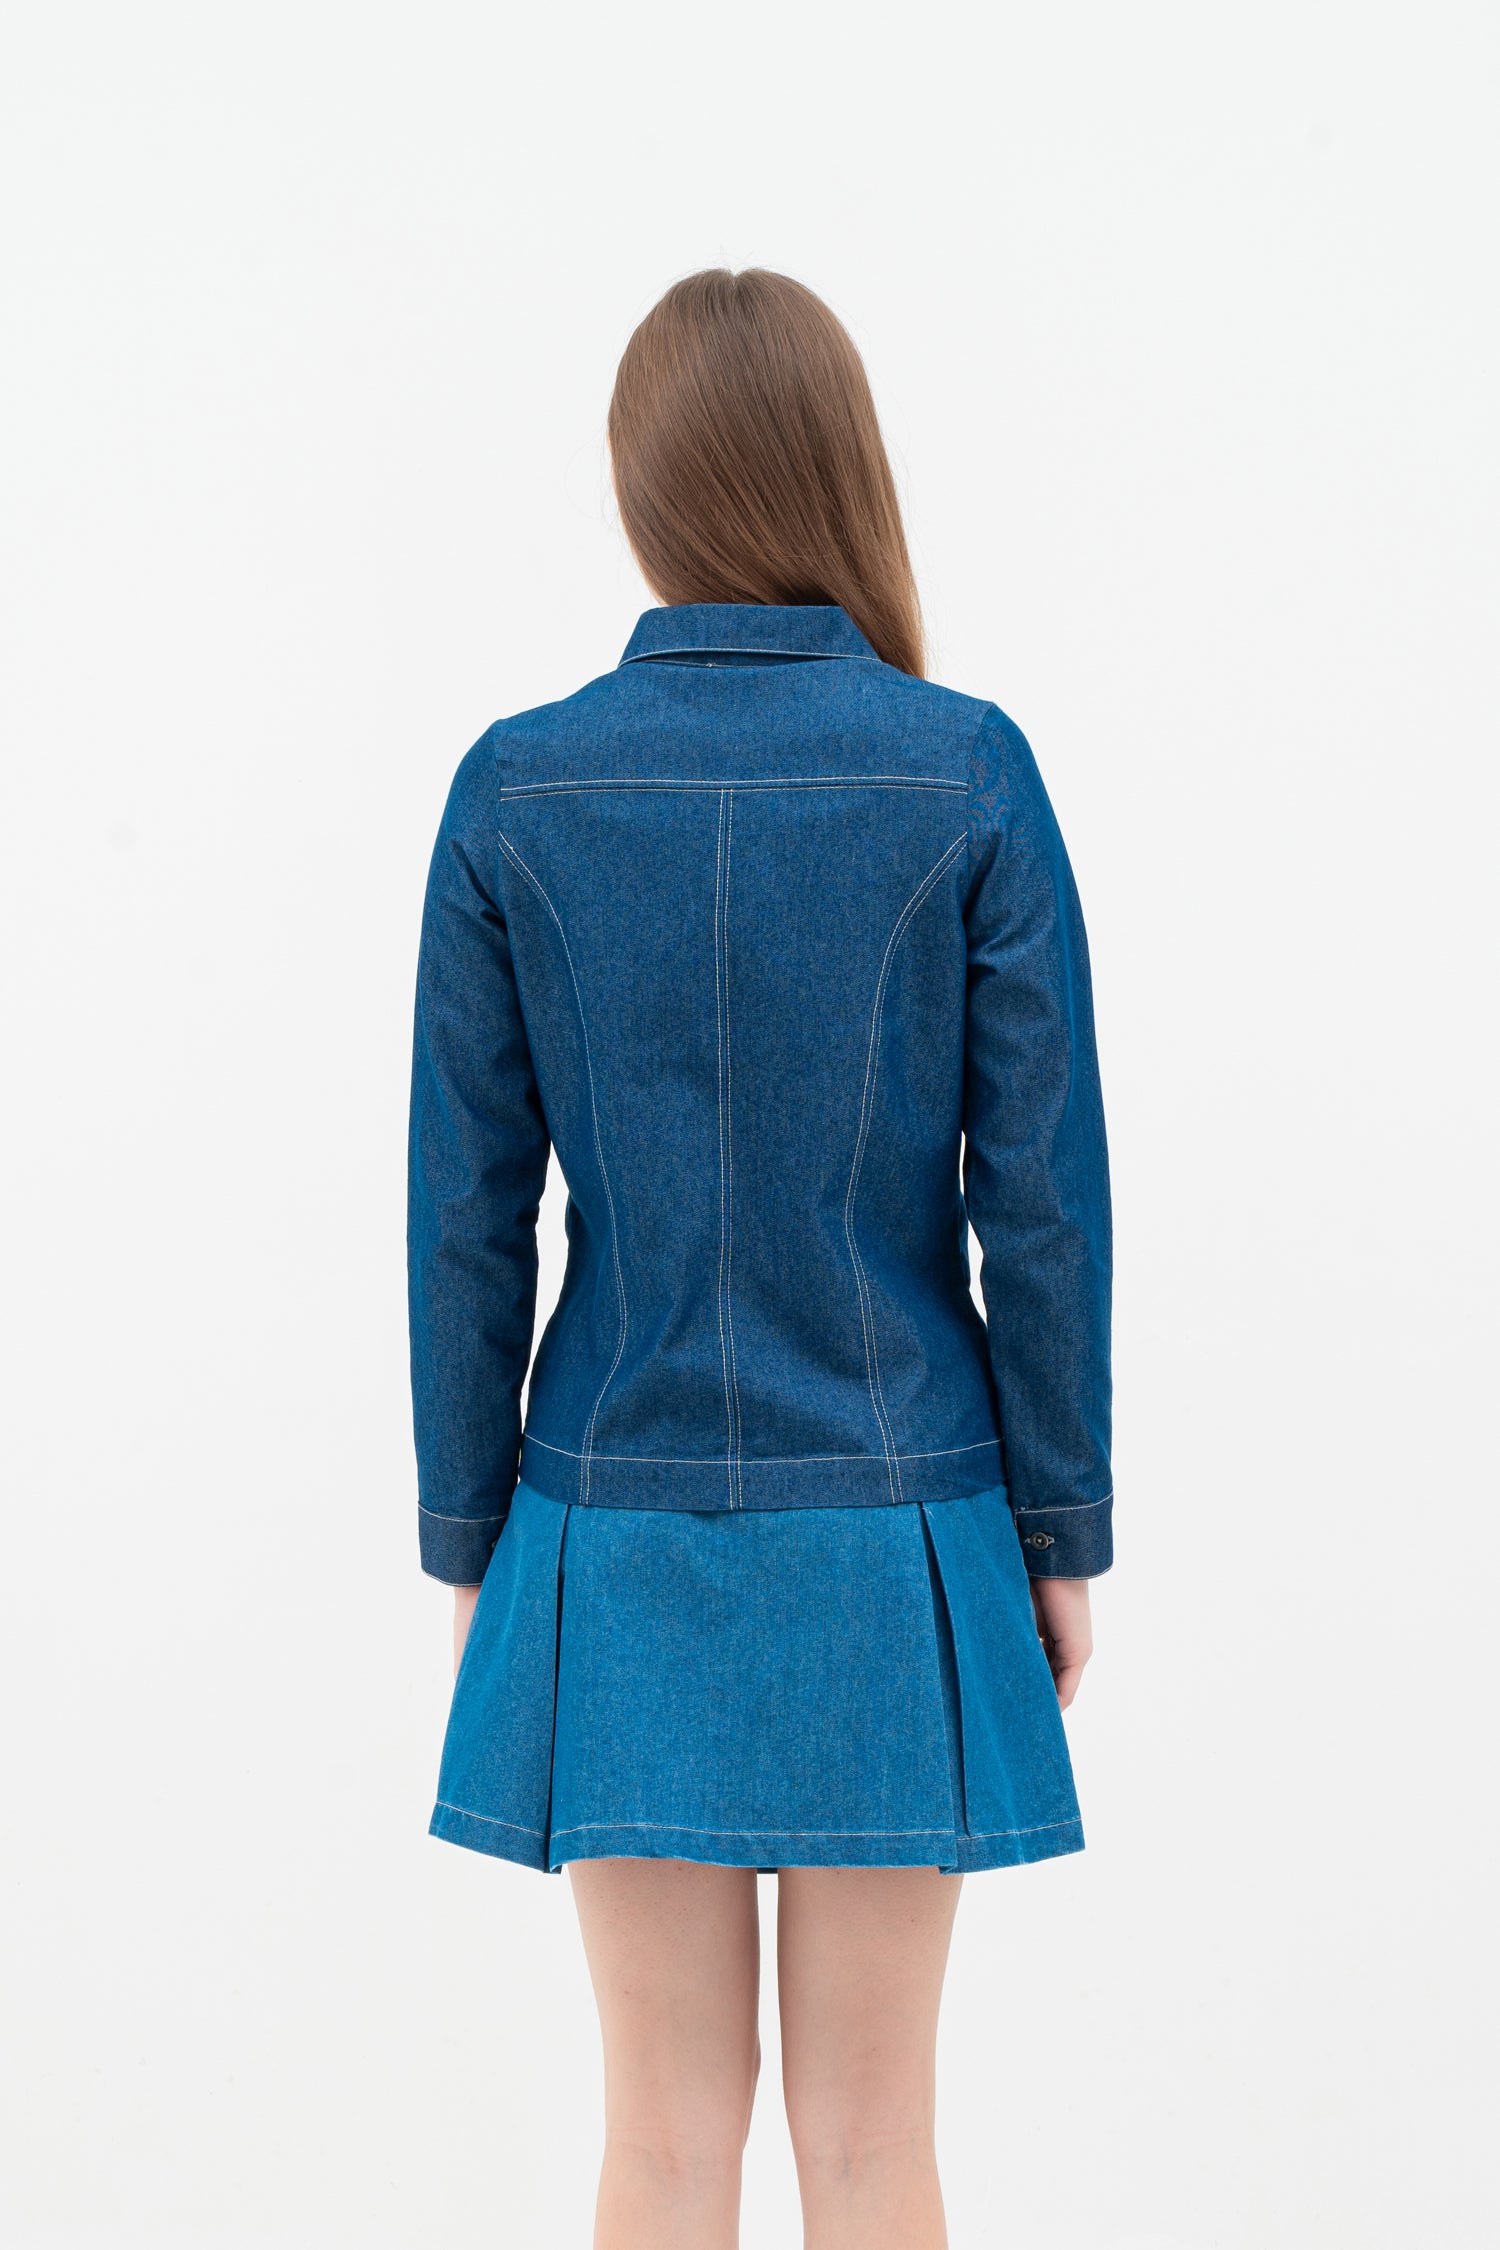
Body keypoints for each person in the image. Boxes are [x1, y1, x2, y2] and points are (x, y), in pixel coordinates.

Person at [407, 266, 1112, 2250]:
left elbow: (466, 1213)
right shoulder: (965, 770)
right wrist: (1059, 1531)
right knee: (876, 2146)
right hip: (898, 1530)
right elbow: (1042, 1201)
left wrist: (473, 1546)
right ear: (842, 470)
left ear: (645, 493)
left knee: (658, 2141)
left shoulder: (516, 789)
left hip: (612, 1529)